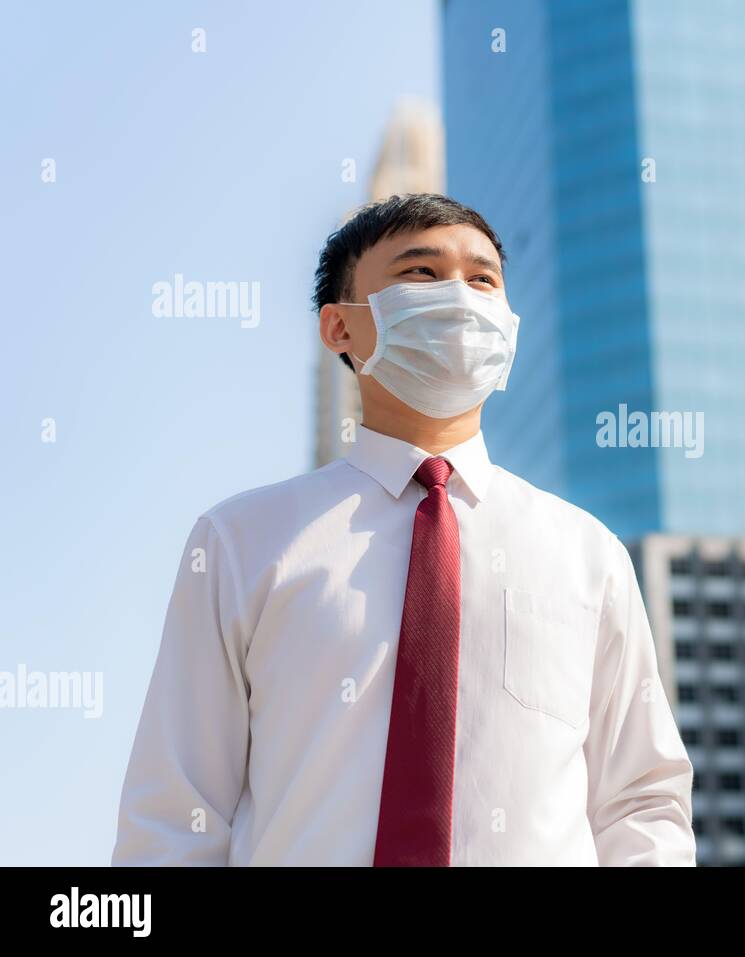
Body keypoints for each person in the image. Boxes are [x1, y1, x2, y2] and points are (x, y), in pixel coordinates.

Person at [111, 193, 696, 866]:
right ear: (339, 328)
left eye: (482, 280)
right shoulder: (242, 540)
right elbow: (176, 814)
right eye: (421, 272)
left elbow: (640, 802)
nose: (459, 297)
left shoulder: (588, 553)